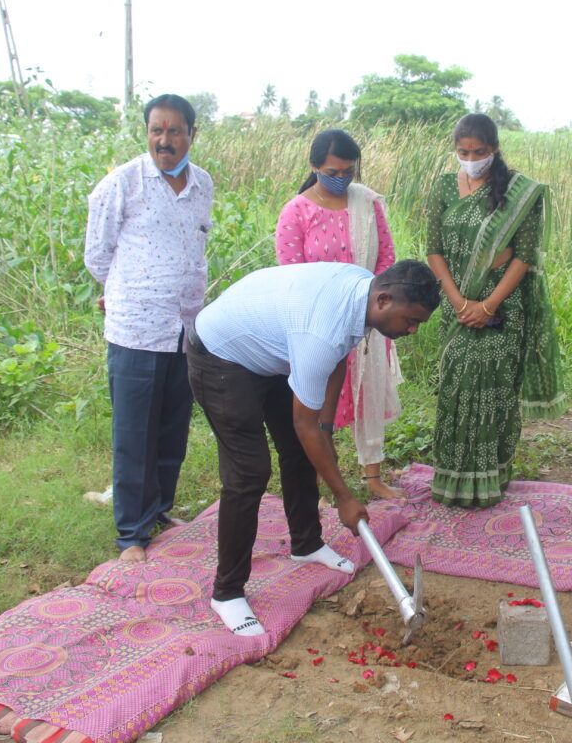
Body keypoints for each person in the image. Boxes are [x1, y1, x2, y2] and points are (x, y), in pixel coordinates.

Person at [186, 259, 440, 636]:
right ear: (384, 300)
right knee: (249, 472)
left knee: (303, 448)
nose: (413, 330)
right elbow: (308, 413)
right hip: (220, 354)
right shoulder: (322, 330)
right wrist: (344, 497)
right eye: (411, 320)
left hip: (271, 349)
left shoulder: (362, 293)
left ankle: (306, 544)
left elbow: (336, 360)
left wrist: (326, 428)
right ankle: (227, 593)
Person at [84, 94, 213, 563]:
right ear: (147, 133)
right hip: (136, 327)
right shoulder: (121, 184)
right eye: (156, 130)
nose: (164, 140)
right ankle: (131, 535)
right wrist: (124, 292)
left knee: (171, 430)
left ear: (191, 134)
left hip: (184, 328)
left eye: (174, 130)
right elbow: (98, 254)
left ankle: (158, 511)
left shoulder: (202, 184)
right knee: (134, 435)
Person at [425, 113, 566, 507]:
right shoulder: (443, 187)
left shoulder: (520, 193)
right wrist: (459, 303)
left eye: (479, 152)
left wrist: (487, 305)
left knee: (494, 395)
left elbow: (524, 257)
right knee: (455, 393)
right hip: (457, 308)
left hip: (502, 310)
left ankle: (491, 481)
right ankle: (453, 482)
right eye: (463, 152)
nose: (471, 159)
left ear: (495, 149)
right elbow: (434, 250)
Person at [276, 130, 404, 500]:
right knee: (318, 405)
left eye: (349, 171)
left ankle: (373, 476)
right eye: (333, 172)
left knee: (368, 394)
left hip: (365, 318)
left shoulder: (367, 203)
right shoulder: (296, 211)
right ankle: (318, 481)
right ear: (315, 166)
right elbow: (292, 276)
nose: (342, 179)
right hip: (318, 325)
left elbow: (386, 257)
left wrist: (371, 306)